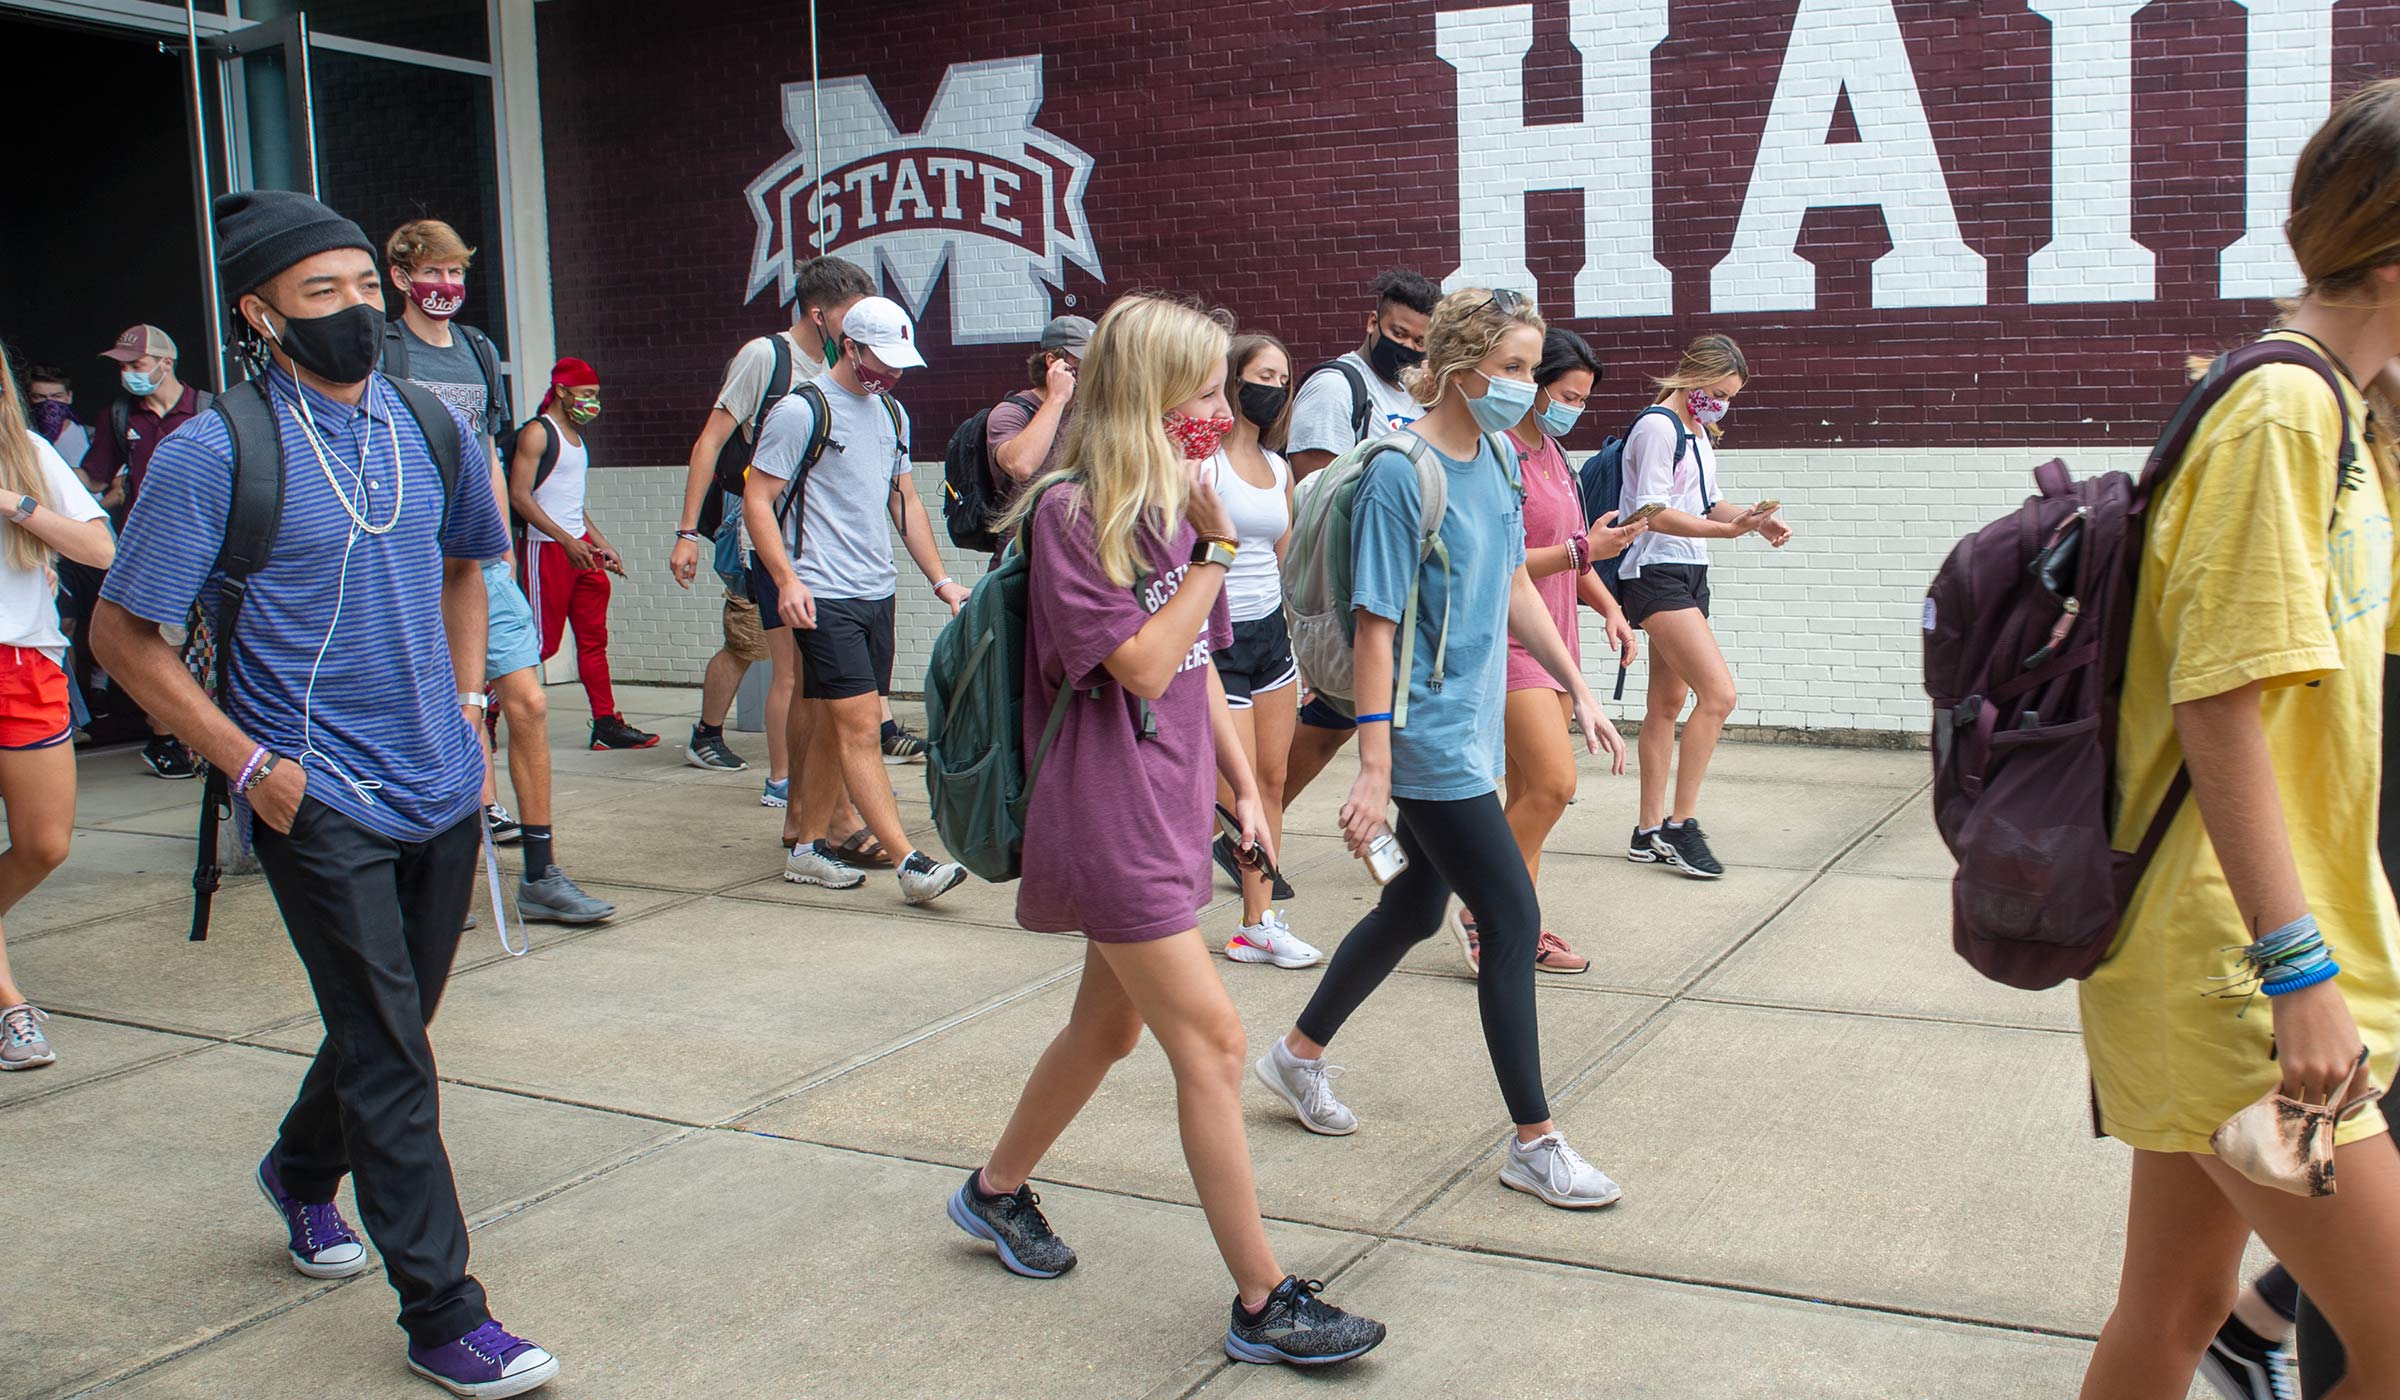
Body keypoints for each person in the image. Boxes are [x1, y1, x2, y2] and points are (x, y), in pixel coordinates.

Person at [91, 189, 560, 1395]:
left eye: (365, 285)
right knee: (394, 1048)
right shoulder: (213, 451)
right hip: (315, 789)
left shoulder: (428, 423)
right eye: (323, 294)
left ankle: (303, 1173)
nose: (359, 309)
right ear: (259, 312)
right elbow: (124, 634)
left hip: (440, 776)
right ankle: (446, 1312)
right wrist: (249, 763)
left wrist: (466, 710)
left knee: (388, 1025)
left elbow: (471, 564)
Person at [948, 293, 1386, 1367]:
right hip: (1107, 814)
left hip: (1170, 804)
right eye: (1198, 388)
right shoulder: (1073, 514)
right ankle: (1262, 1299)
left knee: (1107, 1029)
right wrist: (1211, 546)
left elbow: (1198, 675)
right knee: (1217, 1040)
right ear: (1146, 393)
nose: (1216, 406)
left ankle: (992, 1190)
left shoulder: (1173, 502)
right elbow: (1140, 661)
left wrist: (1244, 790)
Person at [2073, 78, 2400, 1400]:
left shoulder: (2345, 415)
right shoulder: (2286, 413)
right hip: (2239, 964)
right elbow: (2220, 710)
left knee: (2177, 1308)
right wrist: (2298, 969)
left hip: (2232, 953)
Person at [1259, 287, 1629, 1212]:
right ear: (1459, 365)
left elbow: (1508, 583)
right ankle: (1534, 1143)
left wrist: (1576, 687)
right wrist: (1375, 766)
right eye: (1511, 369)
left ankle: (1295, 1056)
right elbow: (1377, 624)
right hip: (1420, 735)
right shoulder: (1401, 472)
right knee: (1505, 918)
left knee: (1415, 909)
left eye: (1528, 370)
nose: (1526, 389)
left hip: (1468, 723)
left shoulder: (1499, 458)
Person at [382, 218, 612, 925]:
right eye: (434, 273)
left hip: (478, 559)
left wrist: (499, 542)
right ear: (400, 278)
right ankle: (442, 865)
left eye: (456, 273)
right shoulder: (381, 351)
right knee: (440, 713)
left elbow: (484, 447)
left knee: (529, 703)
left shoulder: (479, 350)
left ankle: (539, 874)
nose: (447, 286)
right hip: (408, 564)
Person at [744, 295, 969, 905]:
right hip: (824, 594)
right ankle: (910, 861)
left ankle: (808, 848)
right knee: (862, 726)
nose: (893, 374)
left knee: (825, 723)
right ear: (849, 345)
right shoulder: (802, 411)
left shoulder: (892, 413)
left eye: (901, 364)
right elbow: (757, 501)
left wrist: (941, 580)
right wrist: (788, 580)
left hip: (876, 591)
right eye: (882, 360)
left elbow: (906, 502)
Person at [667, 256, 923, 785]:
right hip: (768, 524)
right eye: (853, 317)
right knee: (781, 663)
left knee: (815, 674)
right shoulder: (767, 358)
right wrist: (687, 532)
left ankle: (820, 787)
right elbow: (711, 442)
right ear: (820, 316)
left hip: (828, 535)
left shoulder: (865, 390)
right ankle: (783, 783)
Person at [1448, 327, 1648, 977]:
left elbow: (1575, 556)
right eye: (1565, 394)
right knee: (1556, 786)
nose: (1573, 408)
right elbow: (1502, 562)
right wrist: (1581, 553)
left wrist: (1612, 609)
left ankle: (1516, 926)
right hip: (1506, 641)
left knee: (1530, 792)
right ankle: (1482, 909)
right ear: (1533, 385)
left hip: (1557, 641)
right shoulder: (1498, 452)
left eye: (1584, 400)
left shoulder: (1557, 456)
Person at [1274, 269, 1441, 837]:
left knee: (1342, 718)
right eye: (1400, 334)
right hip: (1353, 580)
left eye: (1422, 341)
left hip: (1399, 574)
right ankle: (1251, 828)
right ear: (1372, 324)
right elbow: (1316, 496)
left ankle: (1248, 829)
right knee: (1358, 713)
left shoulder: (1411, 393)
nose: (1411, 349)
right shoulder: (1338, 386)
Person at [1617, 333, 1789, 878]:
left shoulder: (1696, 432)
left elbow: (1709, 504)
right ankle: (1679, 823)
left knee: (1667, 704)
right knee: (1719, 695)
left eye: (1730, 396)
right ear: (1692, 377)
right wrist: (1726, 531)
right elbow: (1652, 512)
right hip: (1653, 569)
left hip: (1689, 571)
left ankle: (1646, 833)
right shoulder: (1656, 426)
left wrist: (1754, 522)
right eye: (1718, 391)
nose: (1722, 403)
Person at [0, 343, 117, 1070]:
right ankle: (11, 1006)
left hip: (24, 664)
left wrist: (14, 502)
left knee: (46, 844)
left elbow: (100, 550)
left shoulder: (27, 453)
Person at [1203, 330, 1316, 969]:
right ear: (1231, 377)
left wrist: (1306, 644)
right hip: (1215, 638)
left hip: (1270, 637)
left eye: (1281, 379)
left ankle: (1257, 922)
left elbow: (1285, 561)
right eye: (1261, 376)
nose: (1271, 389)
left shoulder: (1279, 469)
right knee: (1231, 789)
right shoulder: (1203, 462)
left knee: (1269, 780)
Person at [509, 357, 655, 752]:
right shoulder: (538, 434)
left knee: (593, 641)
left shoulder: (576, 438)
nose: (593, 403)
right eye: (587, 394)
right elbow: (520, 496)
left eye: (595, 396)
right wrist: (565, 541)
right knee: (539, 642)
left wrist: (600, 544)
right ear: (561, 391)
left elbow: (572, 504)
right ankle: (486, 711)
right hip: (547, 551)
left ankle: (606, 724)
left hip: (580, 551)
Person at [85, 323, 208, 778]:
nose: (128, 375)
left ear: (165, 363)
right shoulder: (119, 417)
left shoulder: (210, 409)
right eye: (123, 367)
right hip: (155, 554)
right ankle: (165, 740)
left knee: (218, 644)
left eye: (136, 365)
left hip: (213, 549)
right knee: (159, 647)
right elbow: (94, 479)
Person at [983, 313, 1094, 541]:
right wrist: (1057, 398)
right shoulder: (1011, 413)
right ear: (1054, 362)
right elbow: (1021, 466)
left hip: (1079, 542)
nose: (1093, 369)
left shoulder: (1089, 411)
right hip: (1025, 551)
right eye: (1085, 361)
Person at [25, 364, 90, 469]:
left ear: (69, 397)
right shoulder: (20, 436)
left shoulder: (92, 437)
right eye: (39, 397)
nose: (49, 403)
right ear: (28, 399)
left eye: (57, 396)